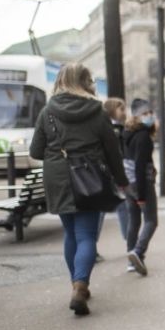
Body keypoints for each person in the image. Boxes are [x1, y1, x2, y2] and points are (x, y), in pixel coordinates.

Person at [29, 64, 128, 316]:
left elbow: (35, 152)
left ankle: (76, 284)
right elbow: (112, 150)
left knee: (70, 233)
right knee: (86, 235)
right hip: (89, 175)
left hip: (58, 177)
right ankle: (81, 285)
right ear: (86, 81)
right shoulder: (96, 110)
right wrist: (121, 179)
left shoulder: (47, 111)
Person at [123, 98, 158, 276]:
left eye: (150, 112)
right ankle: (138, 251)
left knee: (134, 220)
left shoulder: (128, 133)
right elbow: (139, 164)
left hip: (129, 183)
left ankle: (131, 260)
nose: (149, 116)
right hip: (141, 182)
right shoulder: (144, 136)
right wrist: (142, 196)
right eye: (145, 113)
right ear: (136, 116)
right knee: (151, 220)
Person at [103, 98, 129, 240]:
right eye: (121, 109)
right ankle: (130, 241)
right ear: (112, 110)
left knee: (122, 204)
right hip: (112, 172)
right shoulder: (111, 129)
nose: (124, 112)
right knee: (104, 208)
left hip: (115, 171)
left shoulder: (120, 127)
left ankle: (129, 240)